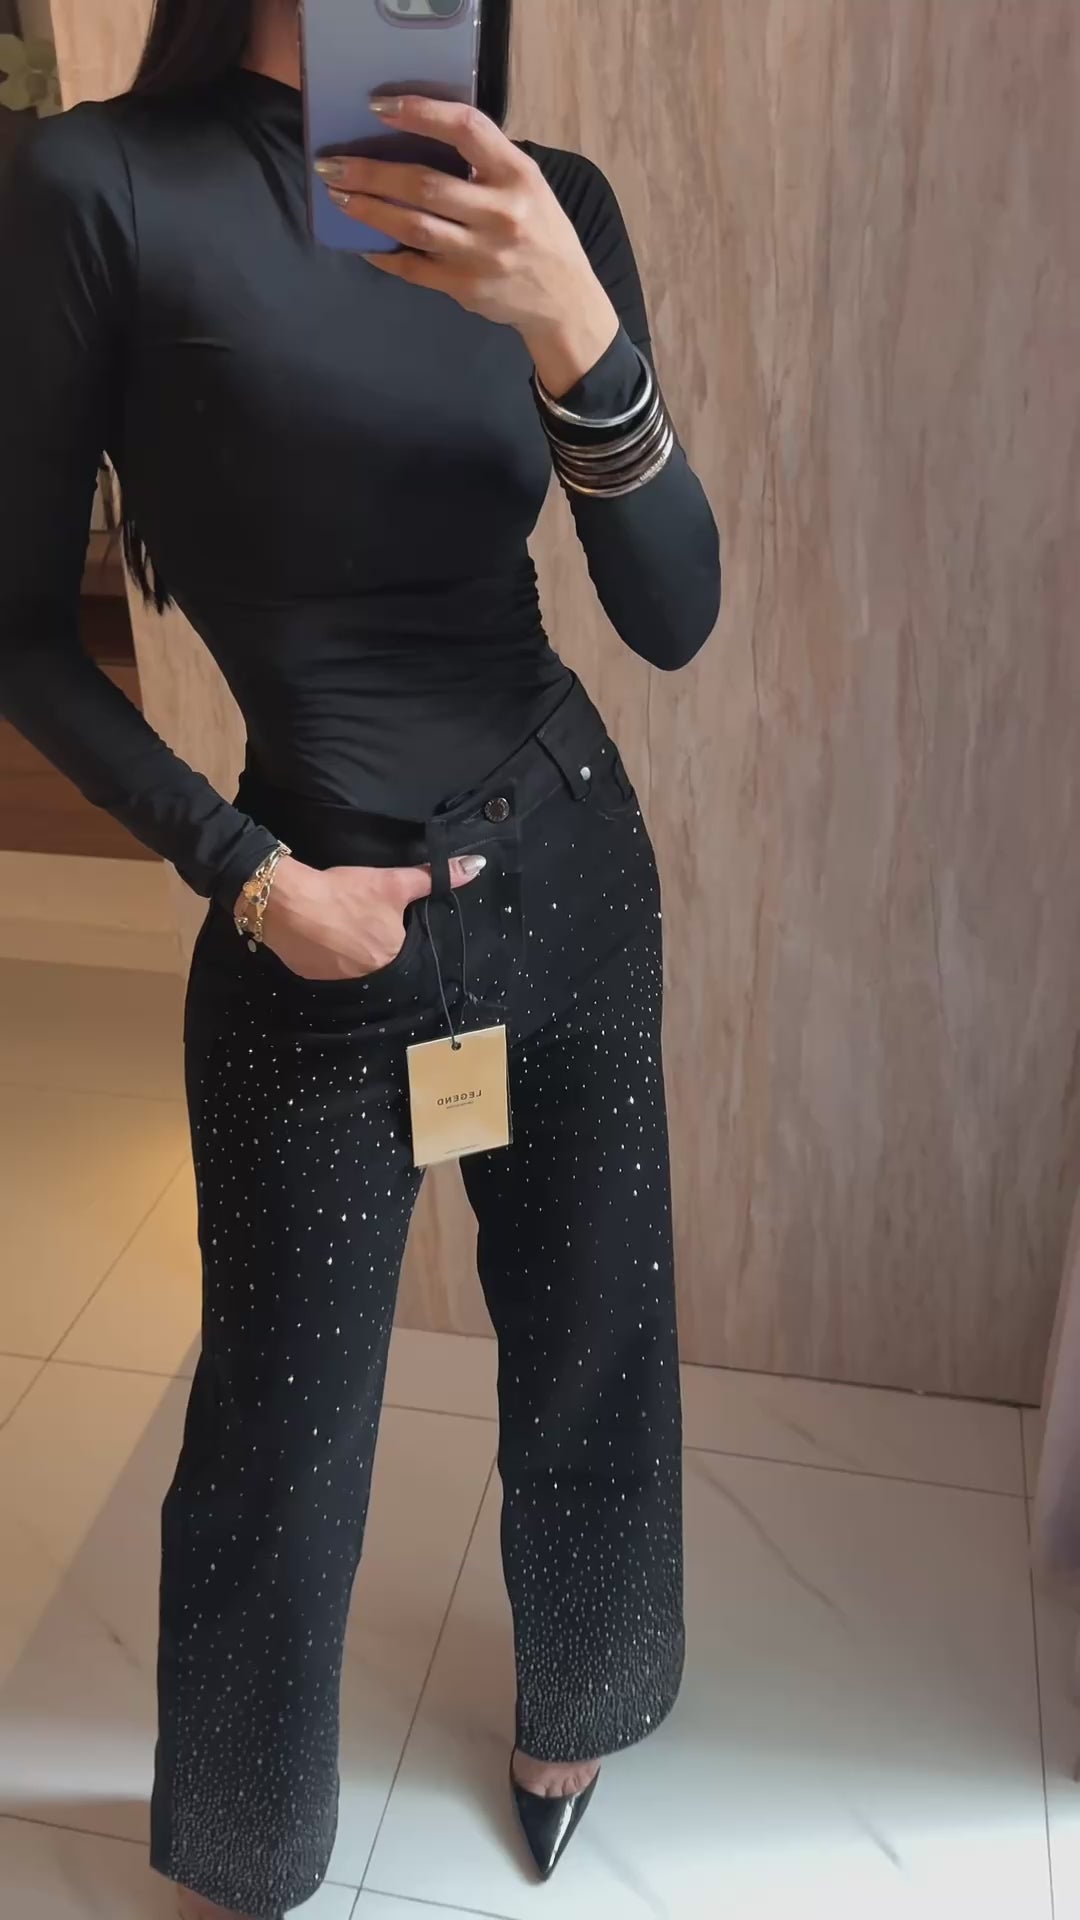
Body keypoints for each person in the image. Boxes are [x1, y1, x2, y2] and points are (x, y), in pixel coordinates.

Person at [0, 0, 720, 1912]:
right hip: (306, 928)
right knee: (277, 1430)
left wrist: (578, 331)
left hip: (571, 876)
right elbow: (16, 629)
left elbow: (673, 615)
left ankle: (587, 1697)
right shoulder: (101, 187)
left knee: (595, 1335)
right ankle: (247, 1853)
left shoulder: (547, 202)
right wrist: (247, 877)